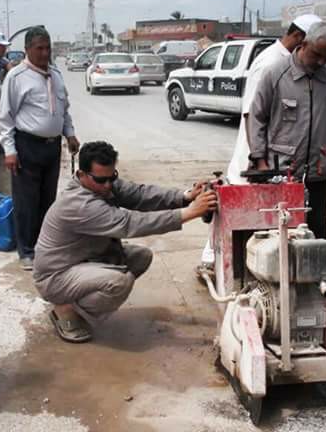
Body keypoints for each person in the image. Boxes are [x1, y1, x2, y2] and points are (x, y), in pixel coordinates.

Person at [33, 141, 217, 343]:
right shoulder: (79, 204)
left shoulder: (103, 184)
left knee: (140, 257)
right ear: (81, 175)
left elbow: (139, 194)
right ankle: (66, 311)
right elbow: (130, 223)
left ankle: (80, 304)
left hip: (82, 260)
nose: (108, 185)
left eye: (112, 177)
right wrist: (189, 212)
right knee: (119, 281)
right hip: (56, 276)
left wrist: (185, 196)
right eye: (101, 180)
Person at [199, 14, 322, 269]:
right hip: (256, 156)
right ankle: (214, 260)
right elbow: (250, 114)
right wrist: (259, 160)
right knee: (237, 211)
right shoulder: (270, 63)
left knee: (265, 216)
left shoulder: (289, 63)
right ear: (299, 38)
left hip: (272, 156)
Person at [248, 22, 326, 239]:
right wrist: (260, 161)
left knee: (317, 230)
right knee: (280, 233)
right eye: (317, 55)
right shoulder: (275, 74)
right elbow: (256, 118)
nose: (321, 62)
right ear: (303, 44)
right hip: (282, 173)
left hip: (317, 170)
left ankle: (315, 261)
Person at [0, 26, 80, 270]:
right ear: (27, 49)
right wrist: (10, 151)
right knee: (26, 202)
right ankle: (26, 251)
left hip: (52, 148)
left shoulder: (56, 75)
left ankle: (44, 247)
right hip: (27, 147)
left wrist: (70, 134)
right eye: (39, 48)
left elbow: (64, 110)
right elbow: (5, 118)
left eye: (48, 48)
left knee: (47, 200)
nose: (45, 53)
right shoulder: (16, 77)